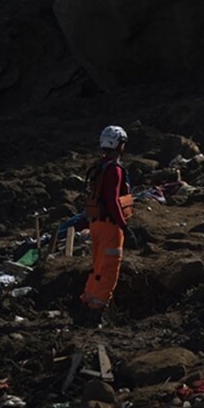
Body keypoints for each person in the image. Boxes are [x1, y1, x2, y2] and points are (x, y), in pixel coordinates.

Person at [78, 125, 134, 327]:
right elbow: (112, 200)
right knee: (109, 271)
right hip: (110, 226)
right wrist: (123, 225)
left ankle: (86, 305)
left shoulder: (99, 166)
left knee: (97, 267)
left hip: (96, 224)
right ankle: (95, 314)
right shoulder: (114, 169)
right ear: (118, 144)